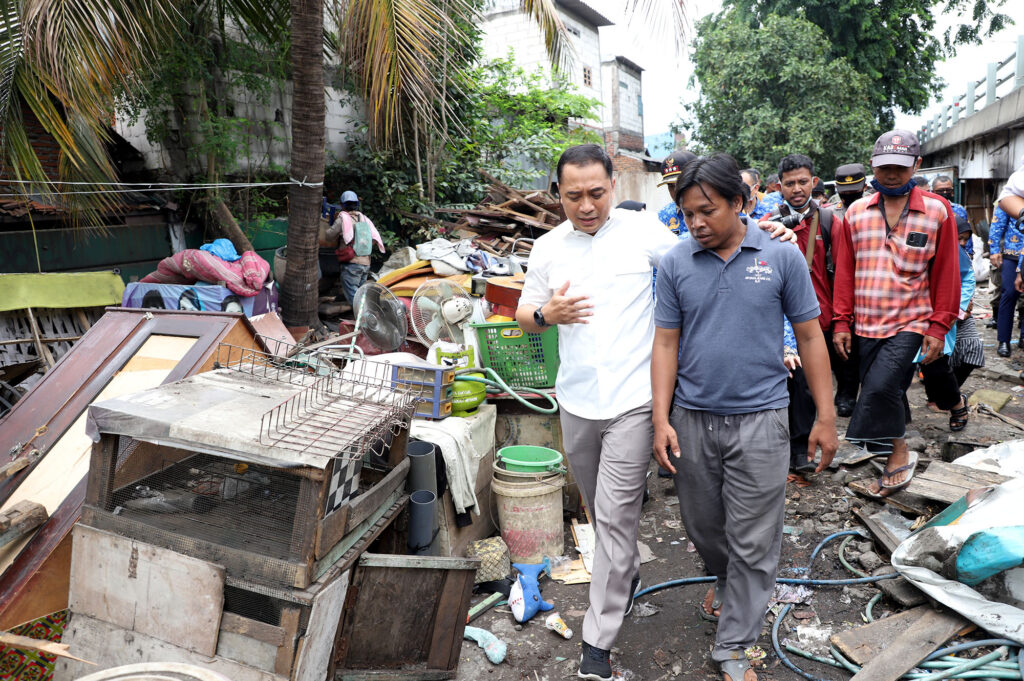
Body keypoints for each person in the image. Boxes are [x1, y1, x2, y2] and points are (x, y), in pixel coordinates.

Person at [515, 144, 795, 681]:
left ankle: (597, 647)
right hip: (575, 401)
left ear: (613, 188)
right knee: (600, 515)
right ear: (559, 194)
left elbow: (709, 247)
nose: (587, 205)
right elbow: (525, 312)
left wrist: (769, 236)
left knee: (616, 518)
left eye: (597, 193)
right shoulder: (548, 247)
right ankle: (628, 575)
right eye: (574, 196)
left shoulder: (645, 236)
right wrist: (546, 313)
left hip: (633, 402)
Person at [651, 153, 837, 681]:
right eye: (688, 214)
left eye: (707, 211)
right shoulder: (676, 263)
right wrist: (660, 418)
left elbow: (808, 337)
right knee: (704, 527)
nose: (697, 223)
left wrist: (825, 416)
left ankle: (734, 643)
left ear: (740, 202)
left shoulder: (781, 257)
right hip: (692, 418)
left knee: (756, 537)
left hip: (762, 418)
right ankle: (728, 580)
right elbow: (665, 344)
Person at [833, 130, 960, 497]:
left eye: (900, 168)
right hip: (866, 321)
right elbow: (845, 271)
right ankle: (888, 448)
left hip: (911, 320)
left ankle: (898, 455)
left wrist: (939, 326)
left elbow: (947, 272)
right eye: (884, 167)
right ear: (873, 166)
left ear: (916, 166)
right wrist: (841, 320)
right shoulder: (856, 213)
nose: (891, 174)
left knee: (880, 386)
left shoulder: (937, 210)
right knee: (891, 391)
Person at [767, 154, 858, 417]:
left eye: (803, 182)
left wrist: (842, 321)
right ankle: (799, 447)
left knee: (831, 377)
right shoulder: (769, 223)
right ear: (779, 186)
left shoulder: (830, 222)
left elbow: (842, 275)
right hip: (785, 323)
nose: (797, 189)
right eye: (790, 183)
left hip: (824, 318)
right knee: (798, 388)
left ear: (814, 182)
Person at [919, 214, 975, 431]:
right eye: (958, 238)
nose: (961, 243)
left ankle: (956, 403)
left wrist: (956, 309)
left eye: (964, 239)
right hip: (909, 311)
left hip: (941, 314)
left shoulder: (958, 256)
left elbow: (967, 279)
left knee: (935, 365)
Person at [324, 190, 385, 305]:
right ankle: (364, 317)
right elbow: (372, 240)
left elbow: (329, 236)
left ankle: (364, 318)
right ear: (357, 204)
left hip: (352, 264)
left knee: (355, 298)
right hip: (366, 263)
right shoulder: (365, 219)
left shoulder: (343, 219)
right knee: (361, 294)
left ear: (342, 205)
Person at [988, 203, 1022, 351]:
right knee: (1009, 293)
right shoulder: (1009, 198)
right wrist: (994, 250)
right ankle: (1004, 340)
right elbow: (997, 224)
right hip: (1012, 253)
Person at [657, 151, 698, 237]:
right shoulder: (664, 215)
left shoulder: (714, 207)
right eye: (670, 186)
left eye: (680, 184)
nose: (676, 191)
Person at [932, 176, 971, 255]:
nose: (945, 193)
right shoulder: (929, 209)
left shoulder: (959, 209)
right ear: (933, 192)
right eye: (941, 190)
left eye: (948, 190)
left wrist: (969, 253)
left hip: (957, 253)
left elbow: (966, 234)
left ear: (952, 192)